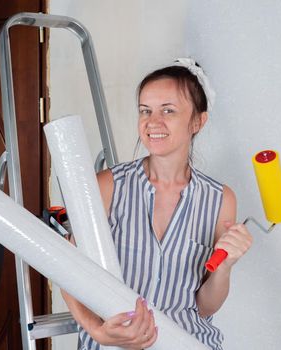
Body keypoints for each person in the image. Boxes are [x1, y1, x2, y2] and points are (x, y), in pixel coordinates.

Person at [62, 58, 253, 350]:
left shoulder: (220, 200)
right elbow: (67, 269)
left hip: (188, 343)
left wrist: (225, 266)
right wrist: (97, 331)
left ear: (198, 122)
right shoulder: (107, 186)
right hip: (116, 344)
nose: (153, 122)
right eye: (145, 110)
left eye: (168, 110)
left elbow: (204, 307)